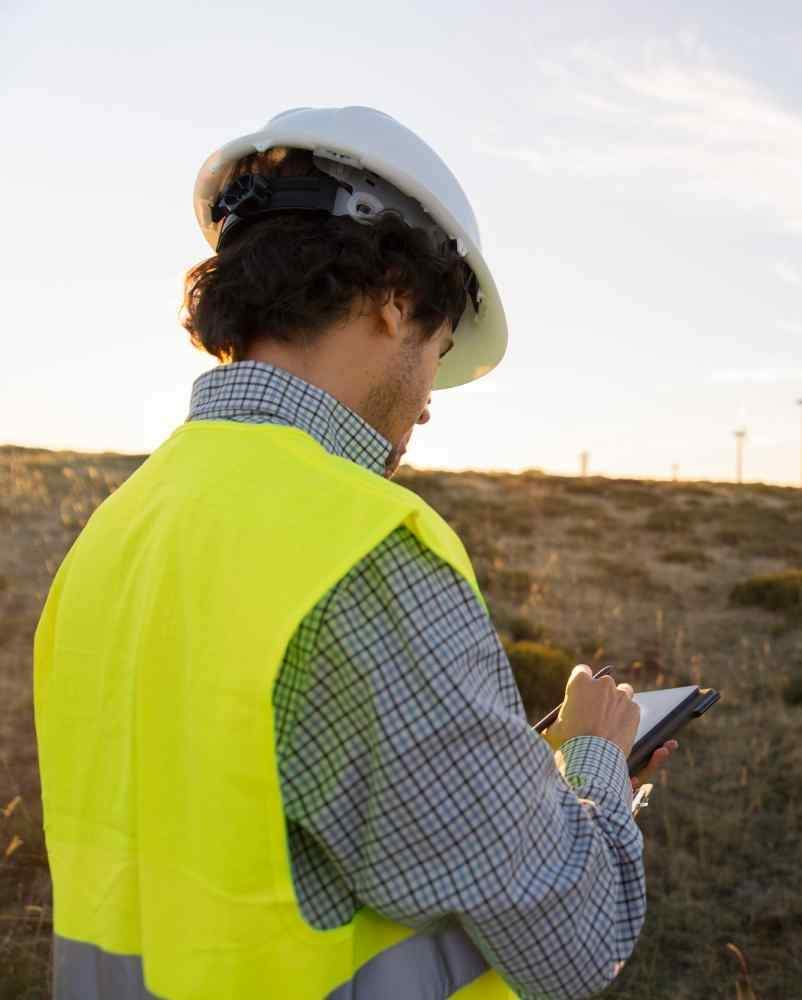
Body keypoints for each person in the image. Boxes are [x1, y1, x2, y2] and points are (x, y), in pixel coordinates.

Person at [34, 106, 676, 1000]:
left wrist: (525, 772)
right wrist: (598, 762)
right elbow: (574, 941)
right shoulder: (360, 553)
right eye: (437, 352)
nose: (426, 402)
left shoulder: (114, 533)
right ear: (395, 298)